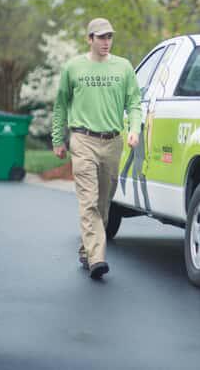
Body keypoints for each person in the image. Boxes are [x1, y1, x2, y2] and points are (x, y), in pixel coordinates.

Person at [51, 18, 142, 280]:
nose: (106, 42)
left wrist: (134, 128)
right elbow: (61, 106)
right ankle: (97, 259)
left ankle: (86, 250)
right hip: (83, 140)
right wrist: (58, 139)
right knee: (88, 201)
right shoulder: (73, 68)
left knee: (103, 205)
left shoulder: (123, 67)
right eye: (100, 37)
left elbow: (134, 103)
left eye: (109, 37)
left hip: (113, 142)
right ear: (89, 39)